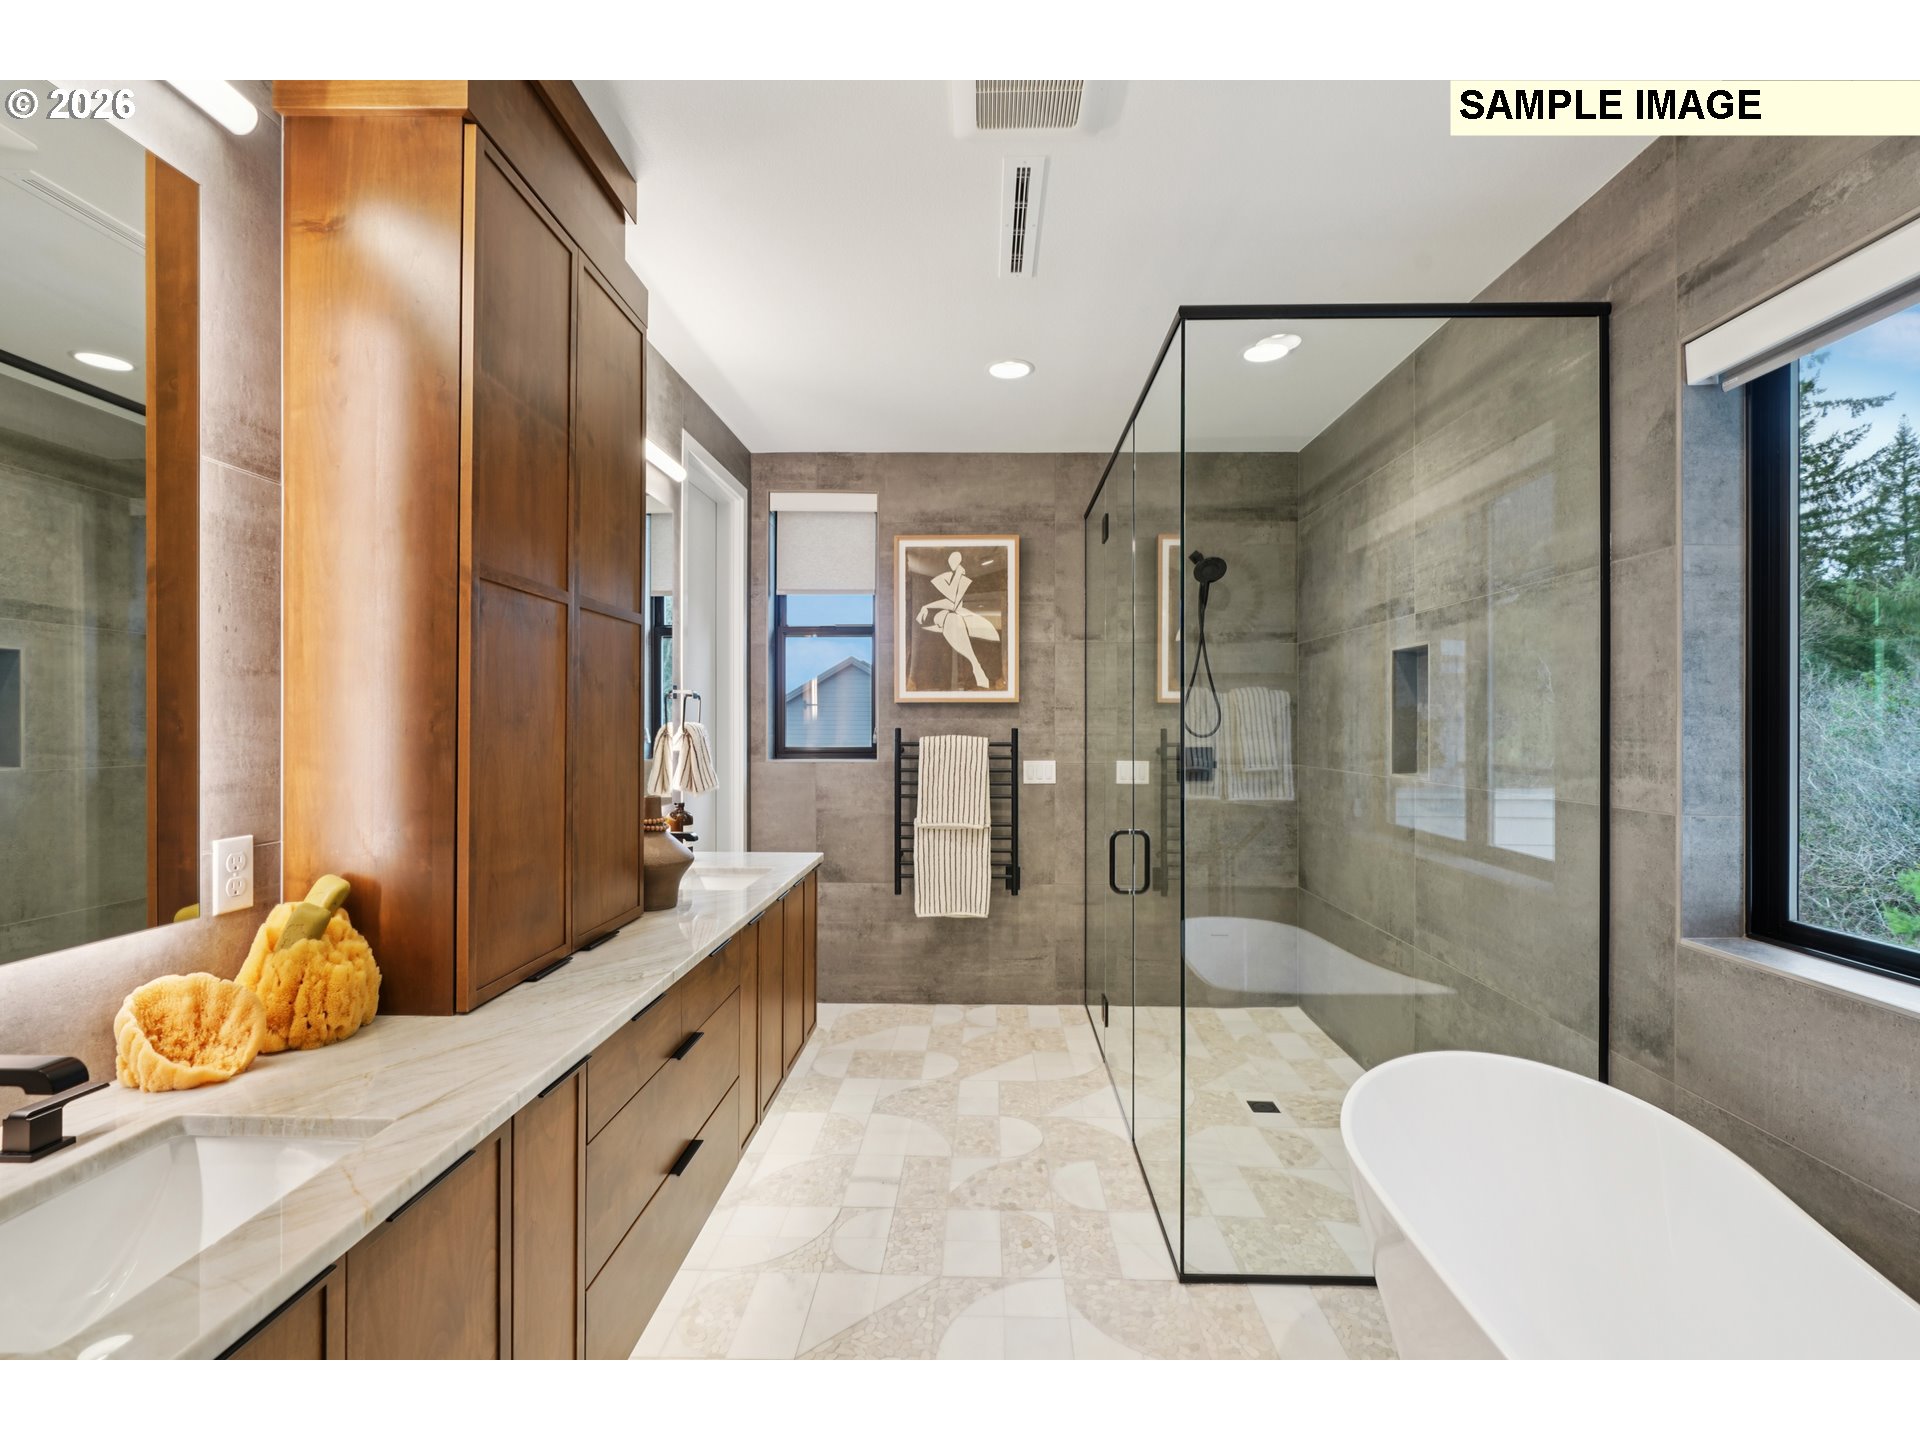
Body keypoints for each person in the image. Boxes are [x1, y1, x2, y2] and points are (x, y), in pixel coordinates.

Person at [916, 550, 999, 688]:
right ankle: (976, 666)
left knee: (953, 620)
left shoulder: (953, 614)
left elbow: (953, 601)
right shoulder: (946, 580)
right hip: (949, 621)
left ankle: (976, 666)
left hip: (956, 619)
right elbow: (952, 600)